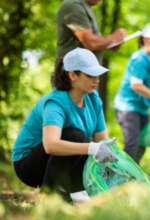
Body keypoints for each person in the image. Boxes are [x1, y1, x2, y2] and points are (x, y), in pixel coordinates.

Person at [12, 48, 119, 201]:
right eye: (90, 75)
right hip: (30, 165)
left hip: (64, 160)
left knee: (87, 199)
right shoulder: (55, 103)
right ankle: (47, 197)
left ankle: (70, 198)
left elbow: (104, 143)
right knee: (76, 136)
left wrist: (120, 169)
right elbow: (50, 145)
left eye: (97, 74)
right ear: (72, 75)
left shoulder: (93, 98)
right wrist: (92, 147)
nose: (97, 80)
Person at [114, 23, 150, 164]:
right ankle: (118, 177)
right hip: (128, 108)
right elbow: (136, 86)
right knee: (132, 145)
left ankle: (132, 178)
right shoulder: (140, 58)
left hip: (141, 109)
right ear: (146, 39)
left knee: (141, 145)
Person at [56, 0, 126, 73]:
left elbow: (91, 42)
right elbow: (90, 43)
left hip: (84, 77)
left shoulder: (85, 6)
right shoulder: (73, 5)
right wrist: (112, 39)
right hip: (72, 78)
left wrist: (108, 43)